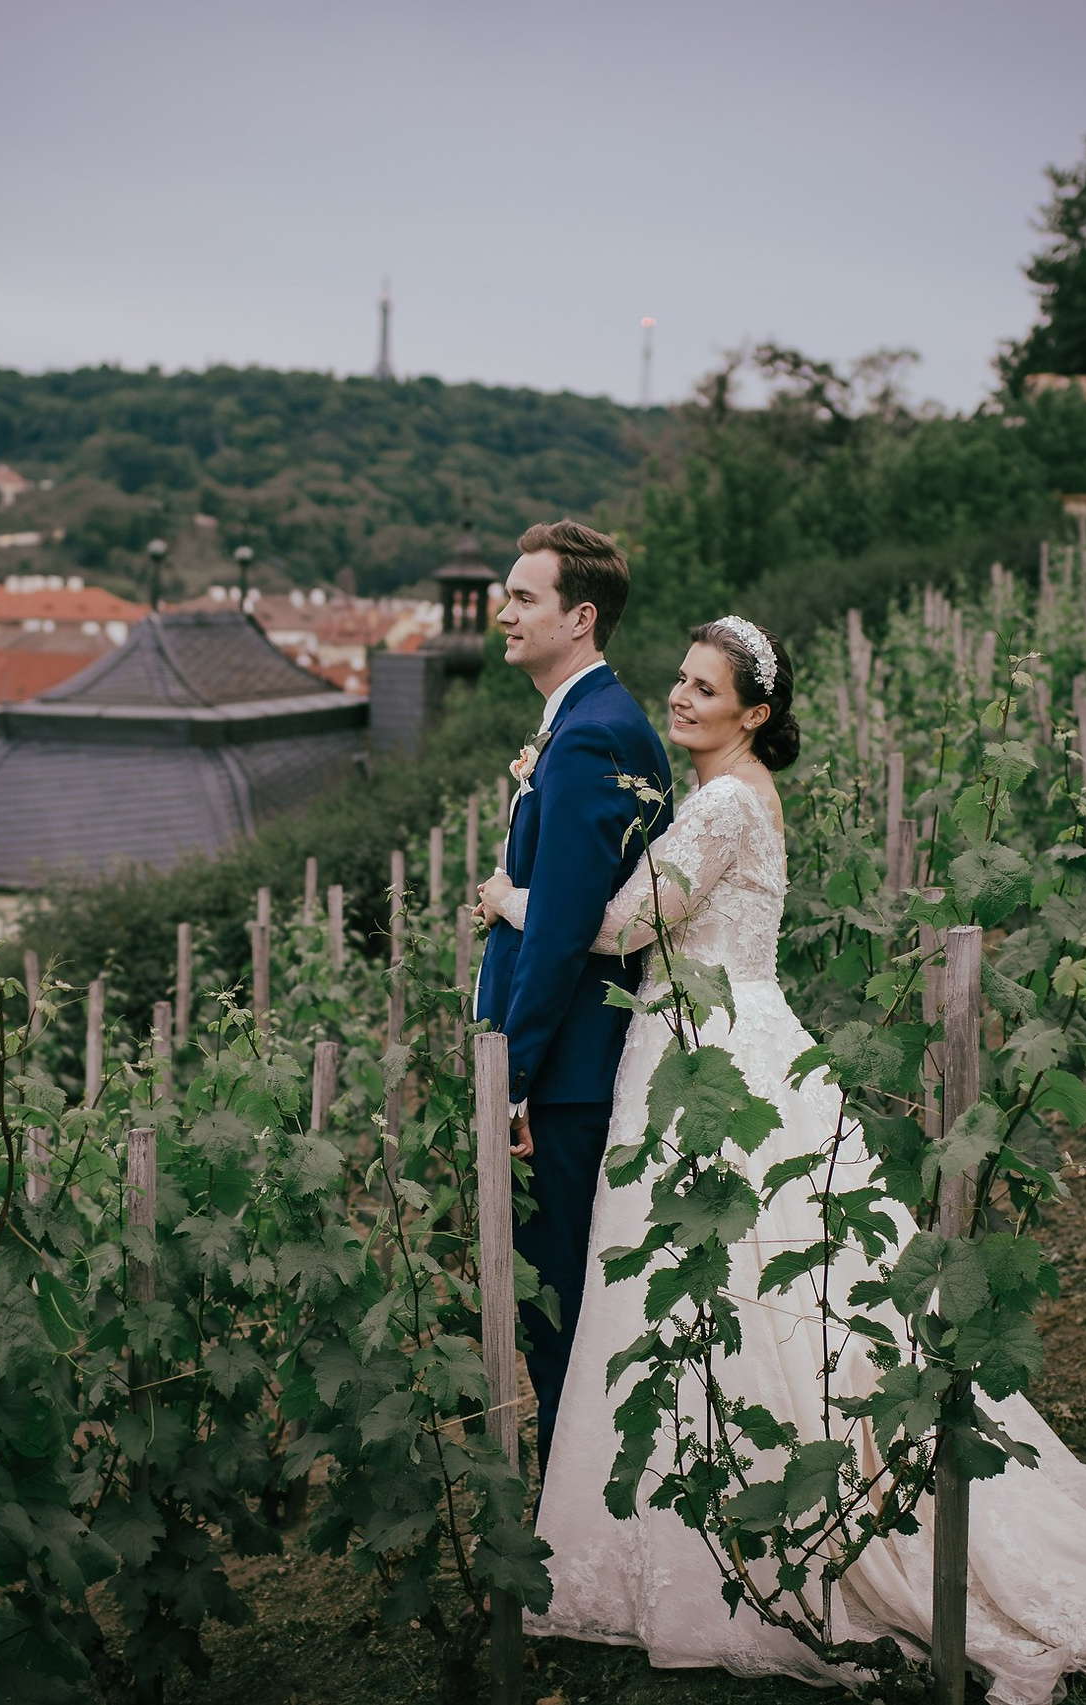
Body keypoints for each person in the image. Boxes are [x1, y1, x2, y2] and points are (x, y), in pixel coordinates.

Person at [478, 617, 1086, 1705]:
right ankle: (698, 1514)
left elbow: (620, 927)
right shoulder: (715, 795)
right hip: (704, 1040)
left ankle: (759, 1523)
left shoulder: (733, 799)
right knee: (709, 1285)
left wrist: (513, 903)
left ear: (754, 713)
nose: (682, 700)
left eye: (707, 690)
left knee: (739, 1279)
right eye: (680, 683)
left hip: (714, 1052)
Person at [472, 519, 671, 1477]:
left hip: (568, 1077)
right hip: (561, 1069)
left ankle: (577, 1517)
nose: (502, 611)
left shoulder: (593, 735)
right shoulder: (578, 723)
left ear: (580, 617)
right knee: (561, 1304)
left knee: (565, 1310)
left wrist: (513, 1074)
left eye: (525, 597)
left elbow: (561, 930)